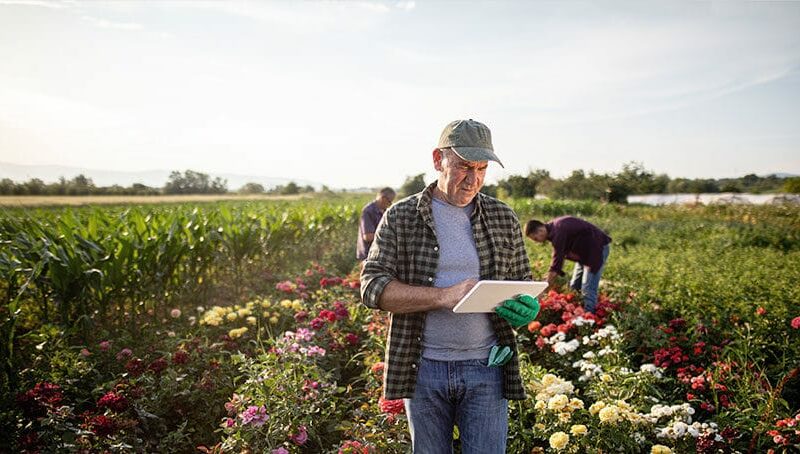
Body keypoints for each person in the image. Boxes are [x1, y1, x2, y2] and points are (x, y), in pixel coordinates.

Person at [360, 119, 538, 453]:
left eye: (482, 169)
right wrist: (444, 296)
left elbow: (522, 283)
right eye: (464, 167)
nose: (473, 179)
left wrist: (524, 309)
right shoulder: (401, 216)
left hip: (487, 367)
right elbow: (372, 287)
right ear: (437, 159)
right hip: (424, 367)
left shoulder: (503, 217)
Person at [524, 216, 611, 313]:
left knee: (588, 288)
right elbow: (559, 257)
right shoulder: (555, 229)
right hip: (584, 253)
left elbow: (557, 261)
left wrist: (544, 288)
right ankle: (575, 313)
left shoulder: (558, 231)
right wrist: (549, 276)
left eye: (536, 239)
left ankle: (589, 317)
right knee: (574, 286)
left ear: (540, 230)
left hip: (596, 250)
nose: (537, 242)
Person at [356, 187, 396, 261]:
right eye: (390, 201)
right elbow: (368, 237)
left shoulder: (385, 211)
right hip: (368, 255)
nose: (390, 204)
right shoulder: (368, 211)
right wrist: (390, 236)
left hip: (379, 254)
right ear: (383, 198)